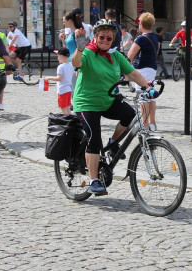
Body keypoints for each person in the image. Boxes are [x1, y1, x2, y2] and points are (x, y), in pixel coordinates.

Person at [71, 19, 155, 196]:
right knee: (94, 137)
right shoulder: (88, 53)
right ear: (95, 37)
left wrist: (148, 87)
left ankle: (113, 143)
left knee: (130, 114)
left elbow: (131, 72)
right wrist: (79, 48)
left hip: (107, 100)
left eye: (109, 38)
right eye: (102, 37)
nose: (105, 40)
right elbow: (76, 63)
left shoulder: (115, 56)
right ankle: (94, 181)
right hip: (87, 102)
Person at [126, 12, 160, 130]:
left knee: (142, 96)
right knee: (151, 96)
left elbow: (130, 56)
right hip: (152, 68)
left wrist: (125, 71)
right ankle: (152, 123)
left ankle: (144, 124)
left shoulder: (141, 38)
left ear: (141, 23)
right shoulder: (154, 37)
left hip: (142, 69)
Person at [44, 48, 75, 114]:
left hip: (62, 90)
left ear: (62, 56)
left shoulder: (61, 67)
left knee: (63, 107)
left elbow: (59, 78)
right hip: (69, 89)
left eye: (58, 56)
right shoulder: (70, 65)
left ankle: (67, 121)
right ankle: (70, 121)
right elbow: (74, 74)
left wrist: (49, 77)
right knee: (67, 107)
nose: (57, 58)